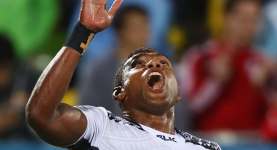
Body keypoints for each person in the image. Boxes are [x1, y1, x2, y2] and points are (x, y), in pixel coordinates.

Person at [25, 0, 221, 150]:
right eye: (139, 64)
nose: (155, 65)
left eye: (164, 64)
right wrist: (83, 31)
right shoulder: (101, 127)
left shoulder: (203, 147)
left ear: (177, 94)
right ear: (120, 93)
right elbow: (41, 116)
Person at [179, 0, 268, 132]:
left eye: (254, 20)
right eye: (243, 19)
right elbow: (191, 107)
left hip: (253, 141)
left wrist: (265, 89)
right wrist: (214, 82)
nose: (249, 26)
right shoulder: (200, 56)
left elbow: (270, 115)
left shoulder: (260, 61)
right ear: (226, 18)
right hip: (212, 140)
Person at [79, 5, 150, 114]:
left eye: (145, 26)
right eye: (136, 27)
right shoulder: (99, 69)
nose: (143, 33)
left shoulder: (161, 67)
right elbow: (88, 110)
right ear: (120, 31)